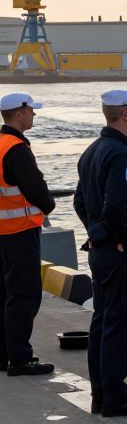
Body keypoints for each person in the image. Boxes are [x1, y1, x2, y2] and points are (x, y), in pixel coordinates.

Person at [73, 89, 127, 417]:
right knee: (122, 321)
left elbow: (80, 201)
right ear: (124, 114)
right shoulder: (120, 154)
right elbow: (116, 207)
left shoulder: (92, 151)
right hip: (119, 253)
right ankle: (115, 396)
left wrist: (95, 233)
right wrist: (124, 240)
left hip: (101, 251)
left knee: (103, 320)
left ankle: (102, 393)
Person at [0, 93, 57, 376]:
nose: (34, 115)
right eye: (31, 111)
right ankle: (20, 358)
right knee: (24, 294)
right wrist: (49, 204)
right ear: (19, 114)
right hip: (19, 231)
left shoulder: (0, 145)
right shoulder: (16, 148)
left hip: (2, 233)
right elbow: (34, 188)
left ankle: (4, 355)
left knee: (5, 293)